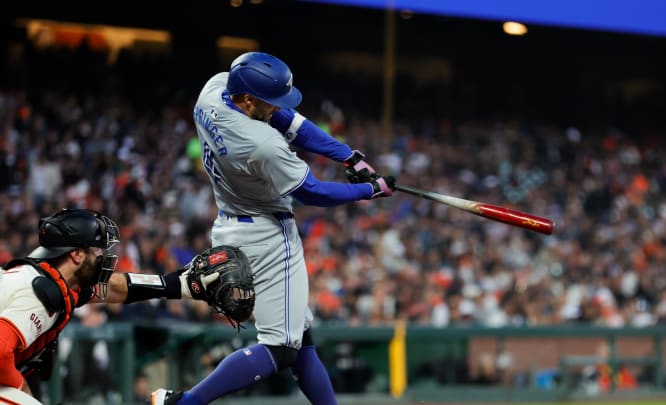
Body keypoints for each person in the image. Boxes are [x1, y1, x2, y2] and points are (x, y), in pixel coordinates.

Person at [151, 51, 396, 405]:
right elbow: (311, 191)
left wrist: (348, 156)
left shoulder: (214, 89)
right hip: (268, 236)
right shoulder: (261, 144)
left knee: (301, 339)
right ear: (248, 100)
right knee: (281, 349)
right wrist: (369, 190)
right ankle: (185, 403)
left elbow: (290, 122)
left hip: (233, 223)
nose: (277, 108)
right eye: (270, 101)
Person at [0, 208, 234, 404]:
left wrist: (179, 285)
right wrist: (24, 392)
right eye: (96, 249)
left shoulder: (61, 282)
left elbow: (116, 287)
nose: (102, 255)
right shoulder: (39, 292)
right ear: (77, 255)